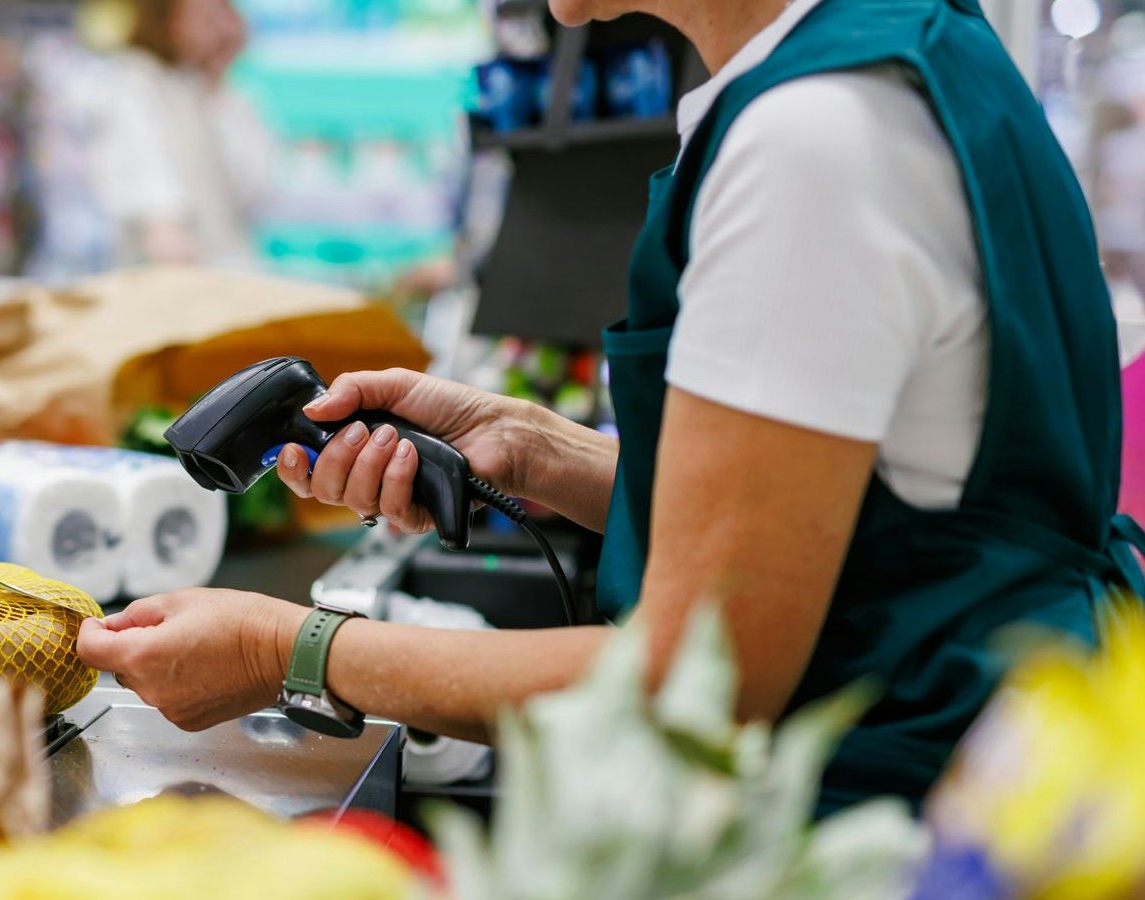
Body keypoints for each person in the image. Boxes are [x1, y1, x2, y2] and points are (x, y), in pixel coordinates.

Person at [78, 0, 1145, 814]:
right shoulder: (896, 52)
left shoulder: (811, 142)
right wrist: (534, 449)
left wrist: (292, 650)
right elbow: (873, 516)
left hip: (907, 812)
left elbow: (692, 678)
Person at [90, 0, 275, 267]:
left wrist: (219, 83)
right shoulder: (136, 82)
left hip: (223, 270)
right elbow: (153, 196)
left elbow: (252, 188)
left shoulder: (204, 88)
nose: (220, 27)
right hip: (173, 276)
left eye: (224, 12)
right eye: (205, 15)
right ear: (167, 18)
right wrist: (166, 230)